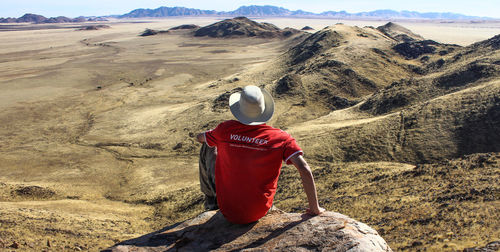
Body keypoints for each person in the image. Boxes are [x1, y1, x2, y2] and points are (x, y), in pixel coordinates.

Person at [196, 85, 324, 224]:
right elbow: (304, 168)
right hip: (259, 211)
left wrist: (212, 133)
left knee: (208, 145)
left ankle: (211, 202)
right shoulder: (281, 139)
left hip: (227, 210)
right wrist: (314, 208)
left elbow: (200, 138)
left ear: (239, 109)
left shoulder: (225, 129)